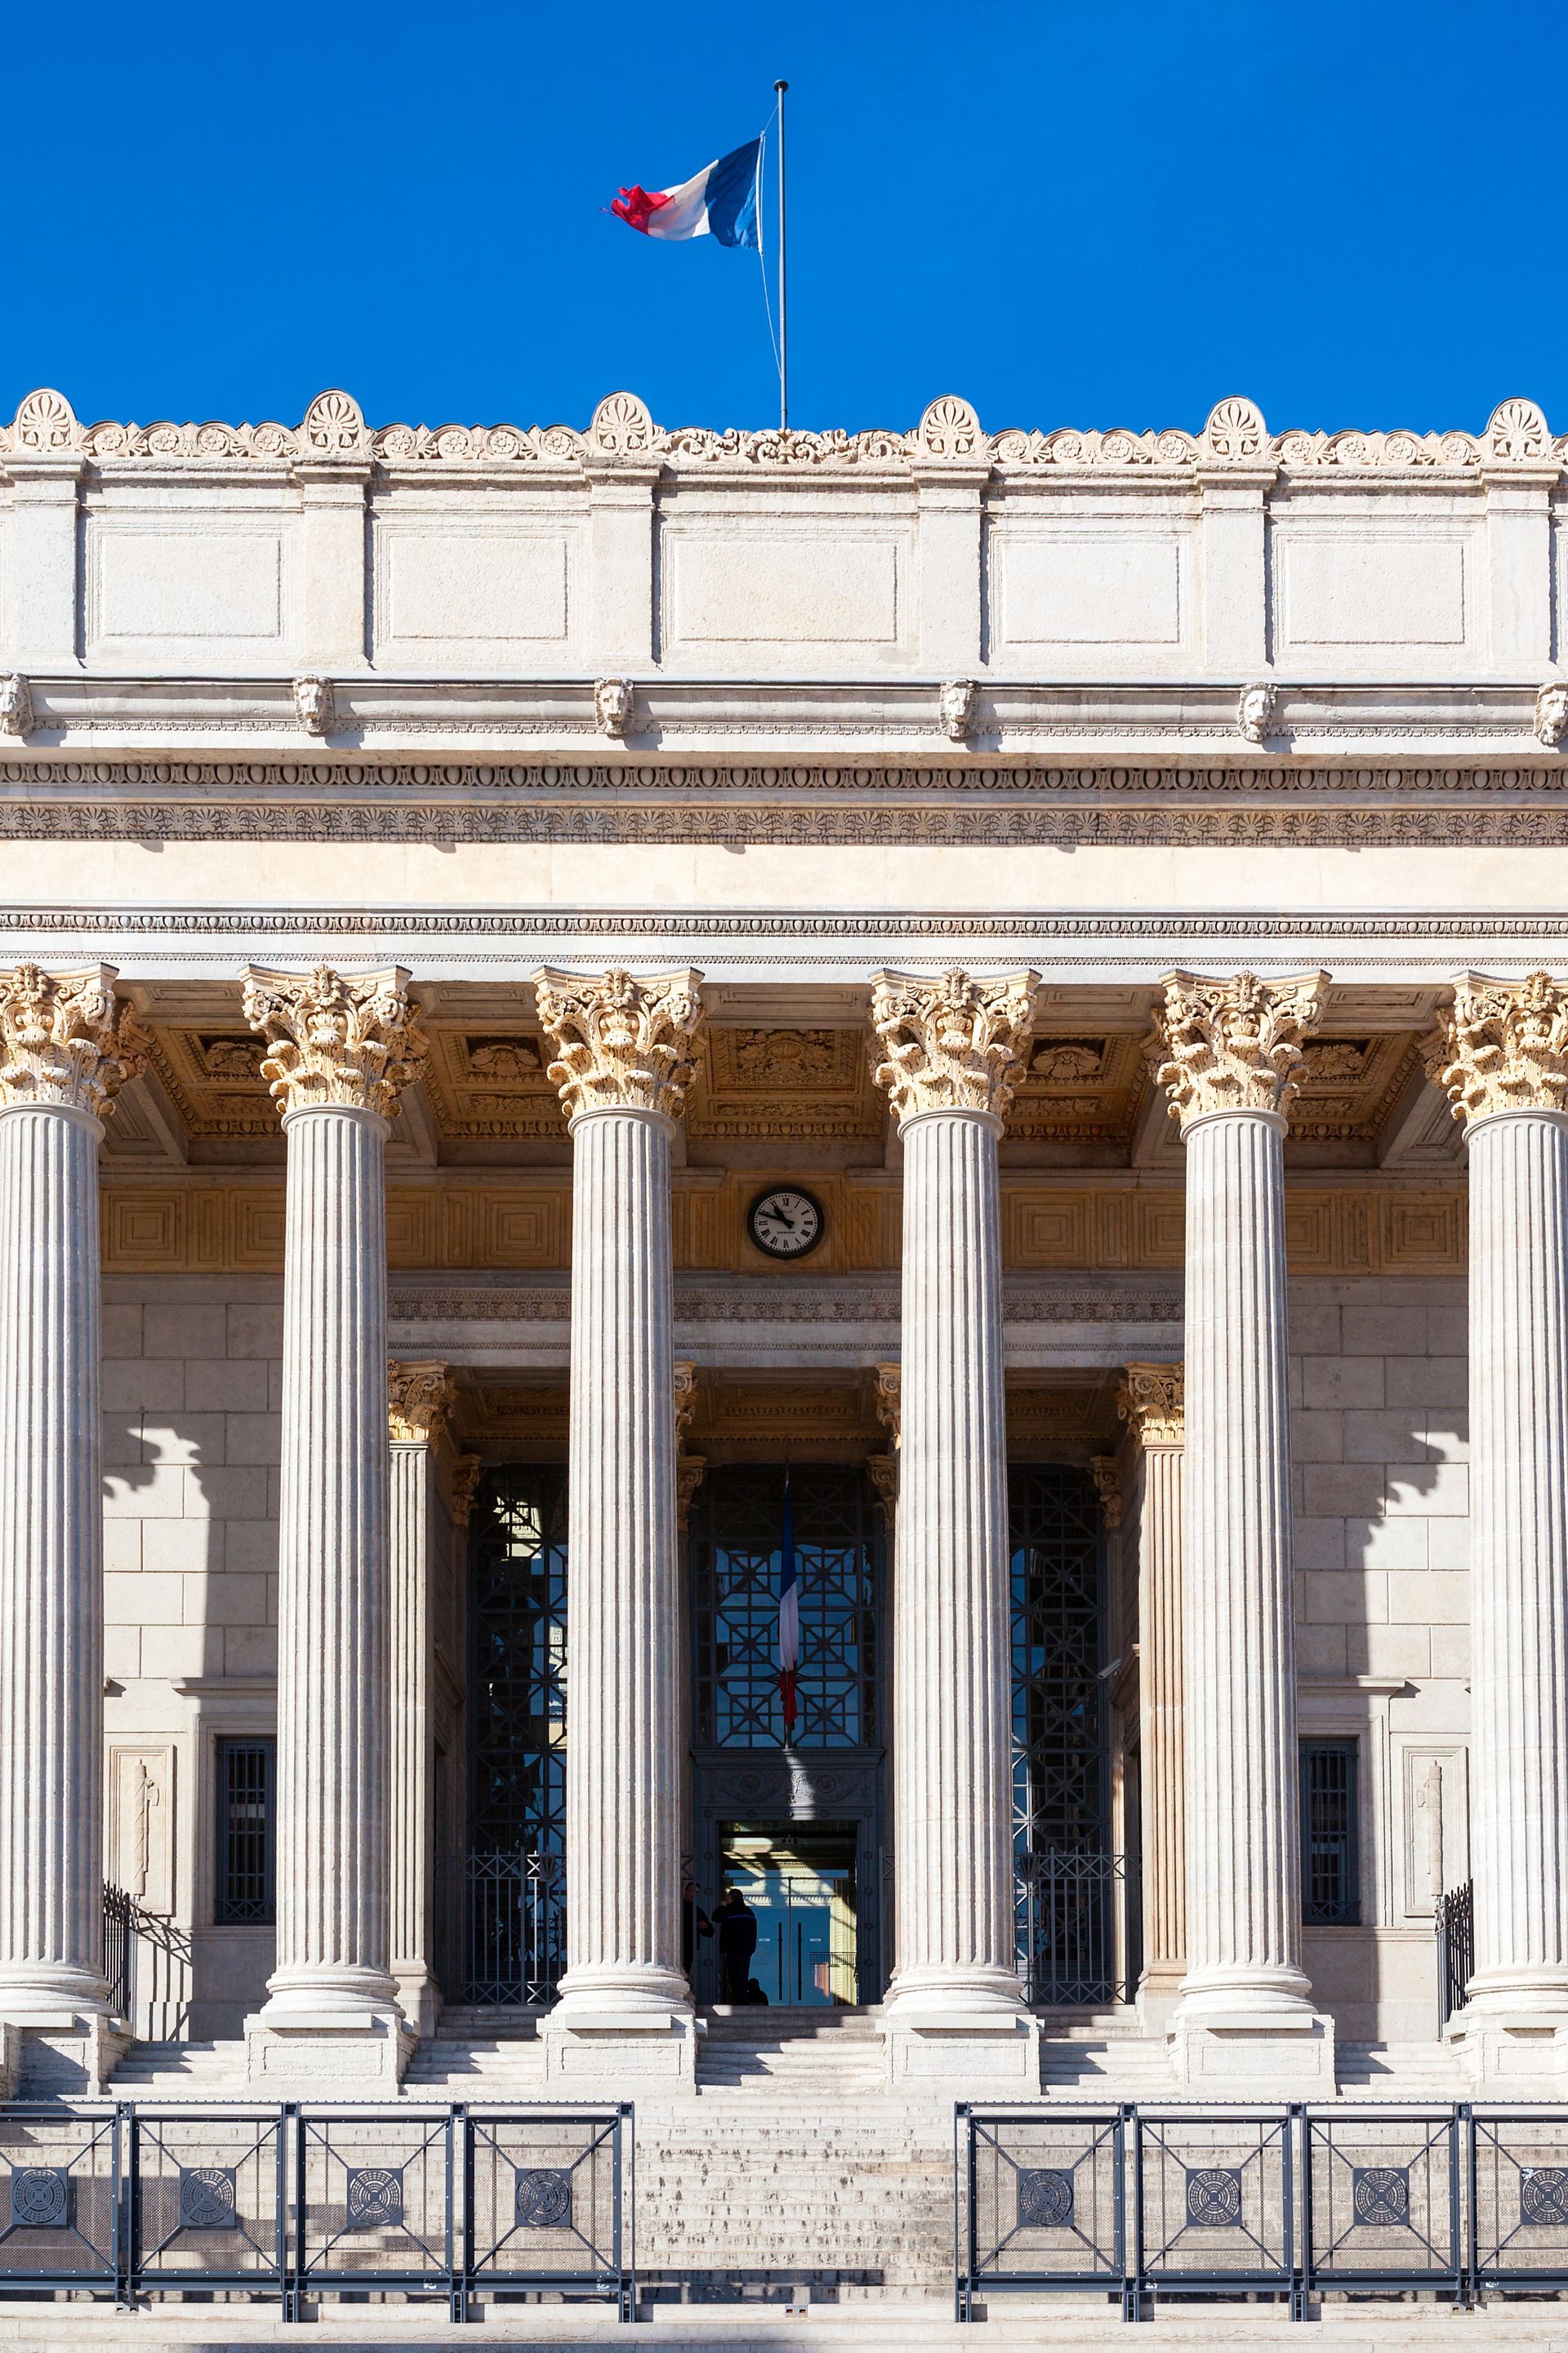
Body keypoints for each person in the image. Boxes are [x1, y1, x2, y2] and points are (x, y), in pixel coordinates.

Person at [714, 1886, 758, 2003]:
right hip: (746, 1951)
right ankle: (743, 2000)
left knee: (734, 1977)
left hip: (732, 1951)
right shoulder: (749, 1912)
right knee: (743, 1976)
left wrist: (722, 1906)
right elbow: (753, 1932)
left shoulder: (730, 1911)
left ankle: (739, 2001)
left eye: (727, 1897)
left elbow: (716, 1917)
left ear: (731, 1898)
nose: (726, 1899)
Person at [680, 1877, 713, 1979]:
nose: (694, 1894)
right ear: (685, 1891)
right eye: (691, 1891)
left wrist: (706, 1927)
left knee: (685, 1971)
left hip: (689, 1946)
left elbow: (710, 1932)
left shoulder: (698, 1911)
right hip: (676, 1944)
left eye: (697, 1892)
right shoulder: (677, 1906)